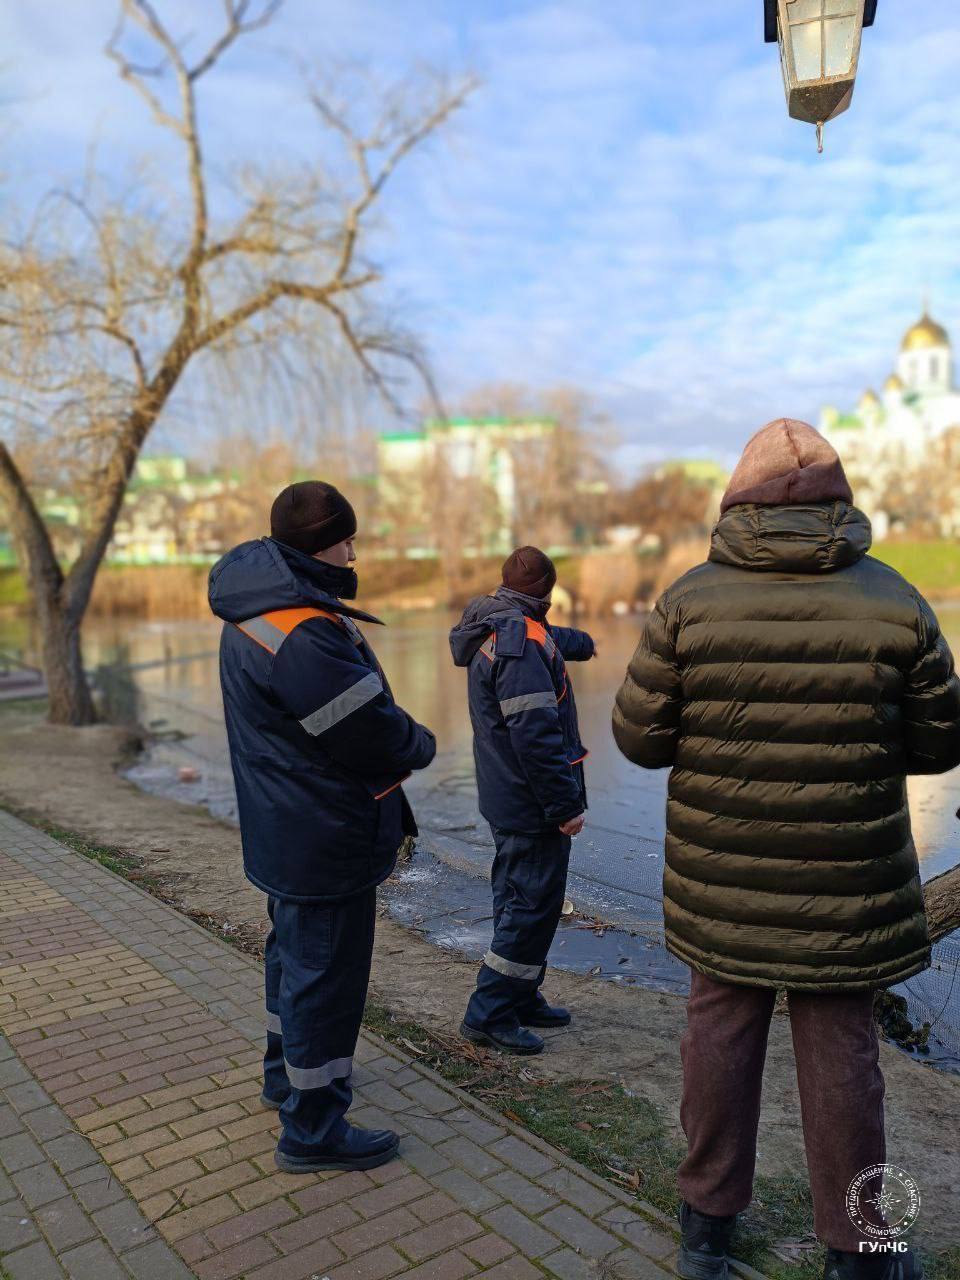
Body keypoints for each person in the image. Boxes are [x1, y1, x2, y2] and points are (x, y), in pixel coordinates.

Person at [612, 419, 960, 1280]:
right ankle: (864, 1253)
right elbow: (940, 743)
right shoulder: (896, 599)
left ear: (738, 503)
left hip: (722, 883)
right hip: (848, 888)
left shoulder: (688, 601)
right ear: (840, 503)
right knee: (847, 1065)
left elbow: (639, 742)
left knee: (717, 1048)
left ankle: (705, 1234)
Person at [209, 480, 436, 1173]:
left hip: (287, 830)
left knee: (294, 964)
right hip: (323, 836)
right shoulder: (301, 631)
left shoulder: (259, 613)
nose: (354, 550)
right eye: (347, 539)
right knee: (324, 980)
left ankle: (288, 1077)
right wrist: (421, 742)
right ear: (321, 544)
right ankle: (312, 1128)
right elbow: (370, 732)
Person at [450, 546, 596, 1054]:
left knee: (520, 900)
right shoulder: (521, 646)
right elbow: (535, 737)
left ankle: (520, 995)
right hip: (531, 804)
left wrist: (586, 642)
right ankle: (488, 1012)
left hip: (505, 795)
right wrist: (564, 806)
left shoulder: (500, 627)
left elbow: (555, 639)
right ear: (548, 592)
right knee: (531, 907)